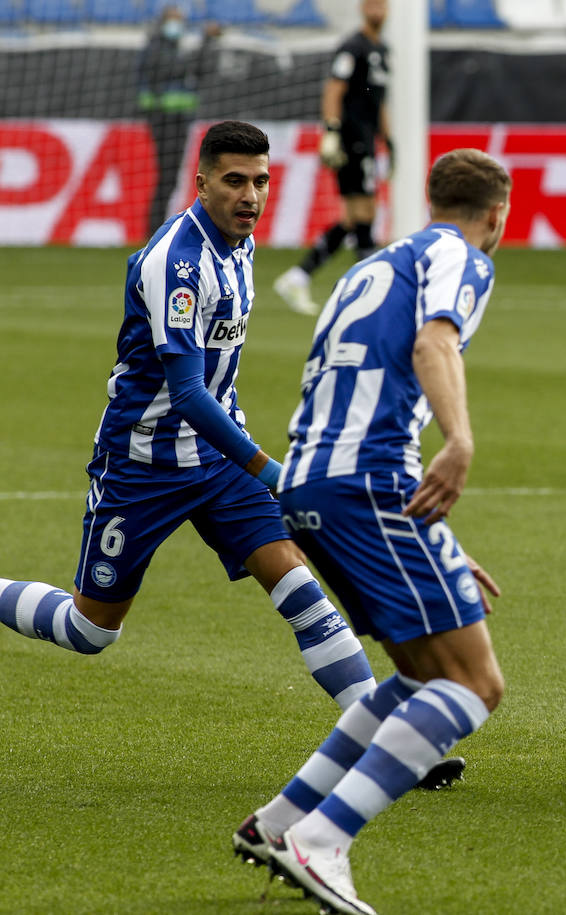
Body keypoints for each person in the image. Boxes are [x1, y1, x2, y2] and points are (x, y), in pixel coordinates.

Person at [0, 121, 376, 713]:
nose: (250, 195)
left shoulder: (241, 244)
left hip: (219, 459)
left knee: (297, 582)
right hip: (144, 461)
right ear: (201, 184)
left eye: (261, 181)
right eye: (234, 181)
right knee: (91, 630)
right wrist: (276, 473)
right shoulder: (176, 263)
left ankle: (386, 734)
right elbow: (187, 395)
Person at [232, 148, 512, 915]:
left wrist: (438, 540)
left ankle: (279, 820)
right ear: (497, 215)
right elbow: (434, 343)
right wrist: (459, 443)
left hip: (307, 485)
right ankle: (324, 838)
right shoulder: (461, 257)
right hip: (370, 483)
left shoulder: (373, 265)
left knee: (422, 675)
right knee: (475, 683)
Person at [274, 0, 391, 316]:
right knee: (364, 209)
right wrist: (331, 130)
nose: (378, 10)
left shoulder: (382, 50)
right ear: (363, 7)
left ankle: (298, 276)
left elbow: (379, 102)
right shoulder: (353, 47)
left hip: (367, 140)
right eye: (373, 4)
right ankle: (376, 289)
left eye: (383, 4)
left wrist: (389, 141)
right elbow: (333, 90)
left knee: (354, 217)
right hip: (350, 138)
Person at [136, 4, 222, 237]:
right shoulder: (157, 48)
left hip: (180, 119)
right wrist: (205, 39)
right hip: (163, 119)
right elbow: (175, 69)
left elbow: (202, 70)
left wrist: (210, 43)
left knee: (171, 176)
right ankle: (153, 230)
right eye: (174, 20)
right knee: (167, 175)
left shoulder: (175, 49)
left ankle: (157, 229)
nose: (178, 26)